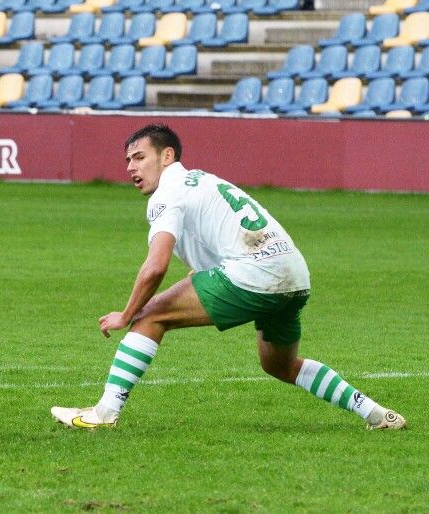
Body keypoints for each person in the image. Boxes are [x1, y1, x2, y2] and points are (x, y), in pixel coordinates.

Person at [50, 124, 406, 431]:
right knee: (279, 364)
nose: (131, 167)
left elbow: (155, 267)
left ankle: (103, 414)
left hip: (254, 273)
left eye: (140, 157)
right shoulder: (202, 180)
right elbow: (211, 250)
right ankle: (376, 413)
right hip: (295, 275)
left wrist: (126, 314)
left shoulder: (166, 194)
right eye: (128, 160)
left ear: (168, 155)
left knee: (149, 318)